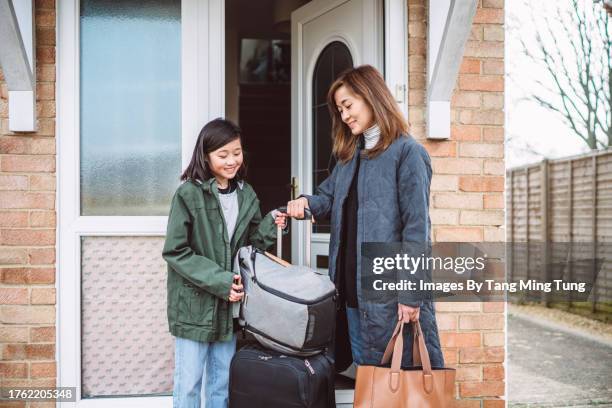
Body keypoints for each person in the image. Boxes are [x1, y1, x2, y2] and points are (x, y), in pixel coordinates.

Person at [285, 65, 444, 372]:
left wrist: (410, 296)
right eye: (339, 110)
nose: (344, 116)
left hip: (389, 297)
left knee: (395, 385)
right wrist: (304, 203)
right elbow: (329, 200)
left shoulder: (408, 153)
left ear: (371, 97)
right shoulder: (350, 156)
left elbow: (417, 231)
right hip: (351, 293)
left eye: (348, 105)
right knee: (371, 381)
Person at [162, 118, 286, 408]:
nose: (232, 161)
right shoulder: (188, 194)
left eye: (237, 152)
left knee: (222, 386)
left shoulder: (247, 194)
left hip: (229, 309)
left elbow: (251, 247)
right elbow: (175, 251)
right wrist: (220, 281)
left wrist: (271, 224)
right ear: (205, 156)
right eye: (223, 154)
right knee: (189, 386)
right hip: (194, 307)